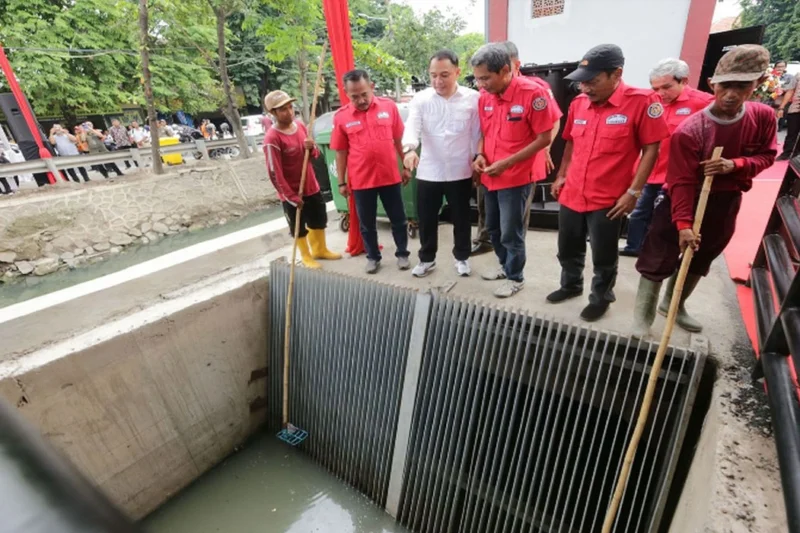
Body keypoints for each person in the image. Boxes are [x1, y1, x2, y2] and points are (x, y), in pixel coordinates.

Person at [632, 44, 777, 336]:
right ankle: (643, 316)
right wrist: (684, 225)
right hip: (682, 196)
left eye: (742, 86)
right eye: (725, 86)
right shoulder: (691, 130)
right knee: (659, 252)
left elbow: (767, 156)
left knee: (704, 254)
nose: (731, 94)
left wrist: (736, 165)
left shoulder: (763, 117)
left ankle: (673, 304)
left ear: (758, 84)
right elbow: (682, 181)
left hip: (725, 199)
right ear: (712, 84)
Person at [548, 44, 669, 321]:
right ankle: (571, 285)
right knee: (567, 247)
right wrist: (562, 174)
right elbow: (570, 143)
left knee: (603, 254)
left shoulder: (642, 102)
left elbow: (652, 149)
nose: (585, 88)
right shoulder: (579, 104)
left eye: (592, 81)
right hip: (573, 190)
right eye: (582, 82)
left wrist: (634, 192)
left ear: (616, 74)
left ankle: (601, 297)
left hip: (609, 197)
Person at [471, 44, 559, 298]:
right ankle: (504, 265)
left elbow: (544, 138)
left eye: (486, 78)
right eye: (478, 79)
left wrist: (507, 163)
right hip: (491, 173)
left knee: (511, 231)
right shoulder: (485, 97)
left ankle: (515, 277)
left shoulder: (534, 94)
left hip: (517, 176)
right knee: (493, 228)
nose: (481, 84)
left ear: (505, 70)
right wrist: (480, 155)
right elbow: (485, 133)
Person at [620, 58, 713, 257]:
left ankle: (662, 254)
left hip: (678, 176)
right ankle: (634, 247)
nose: (661, 93)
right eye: (655, 88)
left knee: (666, 218)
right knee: (639, 213)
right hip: (651, 172)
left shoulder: (703, 104)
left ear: (684, 81)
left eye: (666, 87)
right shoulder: (651, 102)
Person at [402, 49, 480, 278]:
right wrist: (410, 149)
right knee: (427, 218)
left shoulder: (473, 99)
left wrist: (477, 158)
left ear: (457, 72)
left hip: (461, 169)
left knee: (462, 217)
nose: (438, 81)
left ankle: (462, 257)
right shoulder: (421, 99)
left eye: (444, 75)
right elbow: (412, 126)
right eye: (433, 75)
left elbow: (477, 133)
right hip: (429, 170)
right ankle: (427, 259)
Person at [330, 69, 411, 274]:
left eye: (364, 94)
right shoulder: (341, 117)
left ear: (372, 87)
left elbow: (399, 140)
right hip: (361, 180)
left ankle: (402, 254)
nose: (361, 100)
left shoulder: (389, 107)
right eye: (354, 96)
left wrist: (406, 166)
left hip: (389, 176)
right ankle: (373, 257)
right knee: (367, 223)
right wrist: (341, 182)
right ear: (346, 93)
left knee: (399, 219)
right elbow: (340, 152)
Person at [263, 90, 341, 269]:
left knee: (319, 219)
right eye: (283, 109)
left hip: (311, 186)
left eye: (290, 107)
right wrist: (290, 196)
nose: (289, 112)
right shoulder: (272, 138)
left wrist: (311, 147)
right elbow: (274, 173)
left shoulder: (300, 126)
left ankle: (320, 249)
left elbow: (315, 155)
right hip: (292, 191)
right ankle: (306, 256)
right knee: (298, 227)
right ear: (273, 113)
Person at [777, 70, 800, 161]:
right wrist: (781, 107)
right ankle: (786, 153)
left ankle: (796, 156)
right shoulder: (798, 75)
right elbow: (790, 91)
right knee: (791, 133)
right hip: (795, 109)